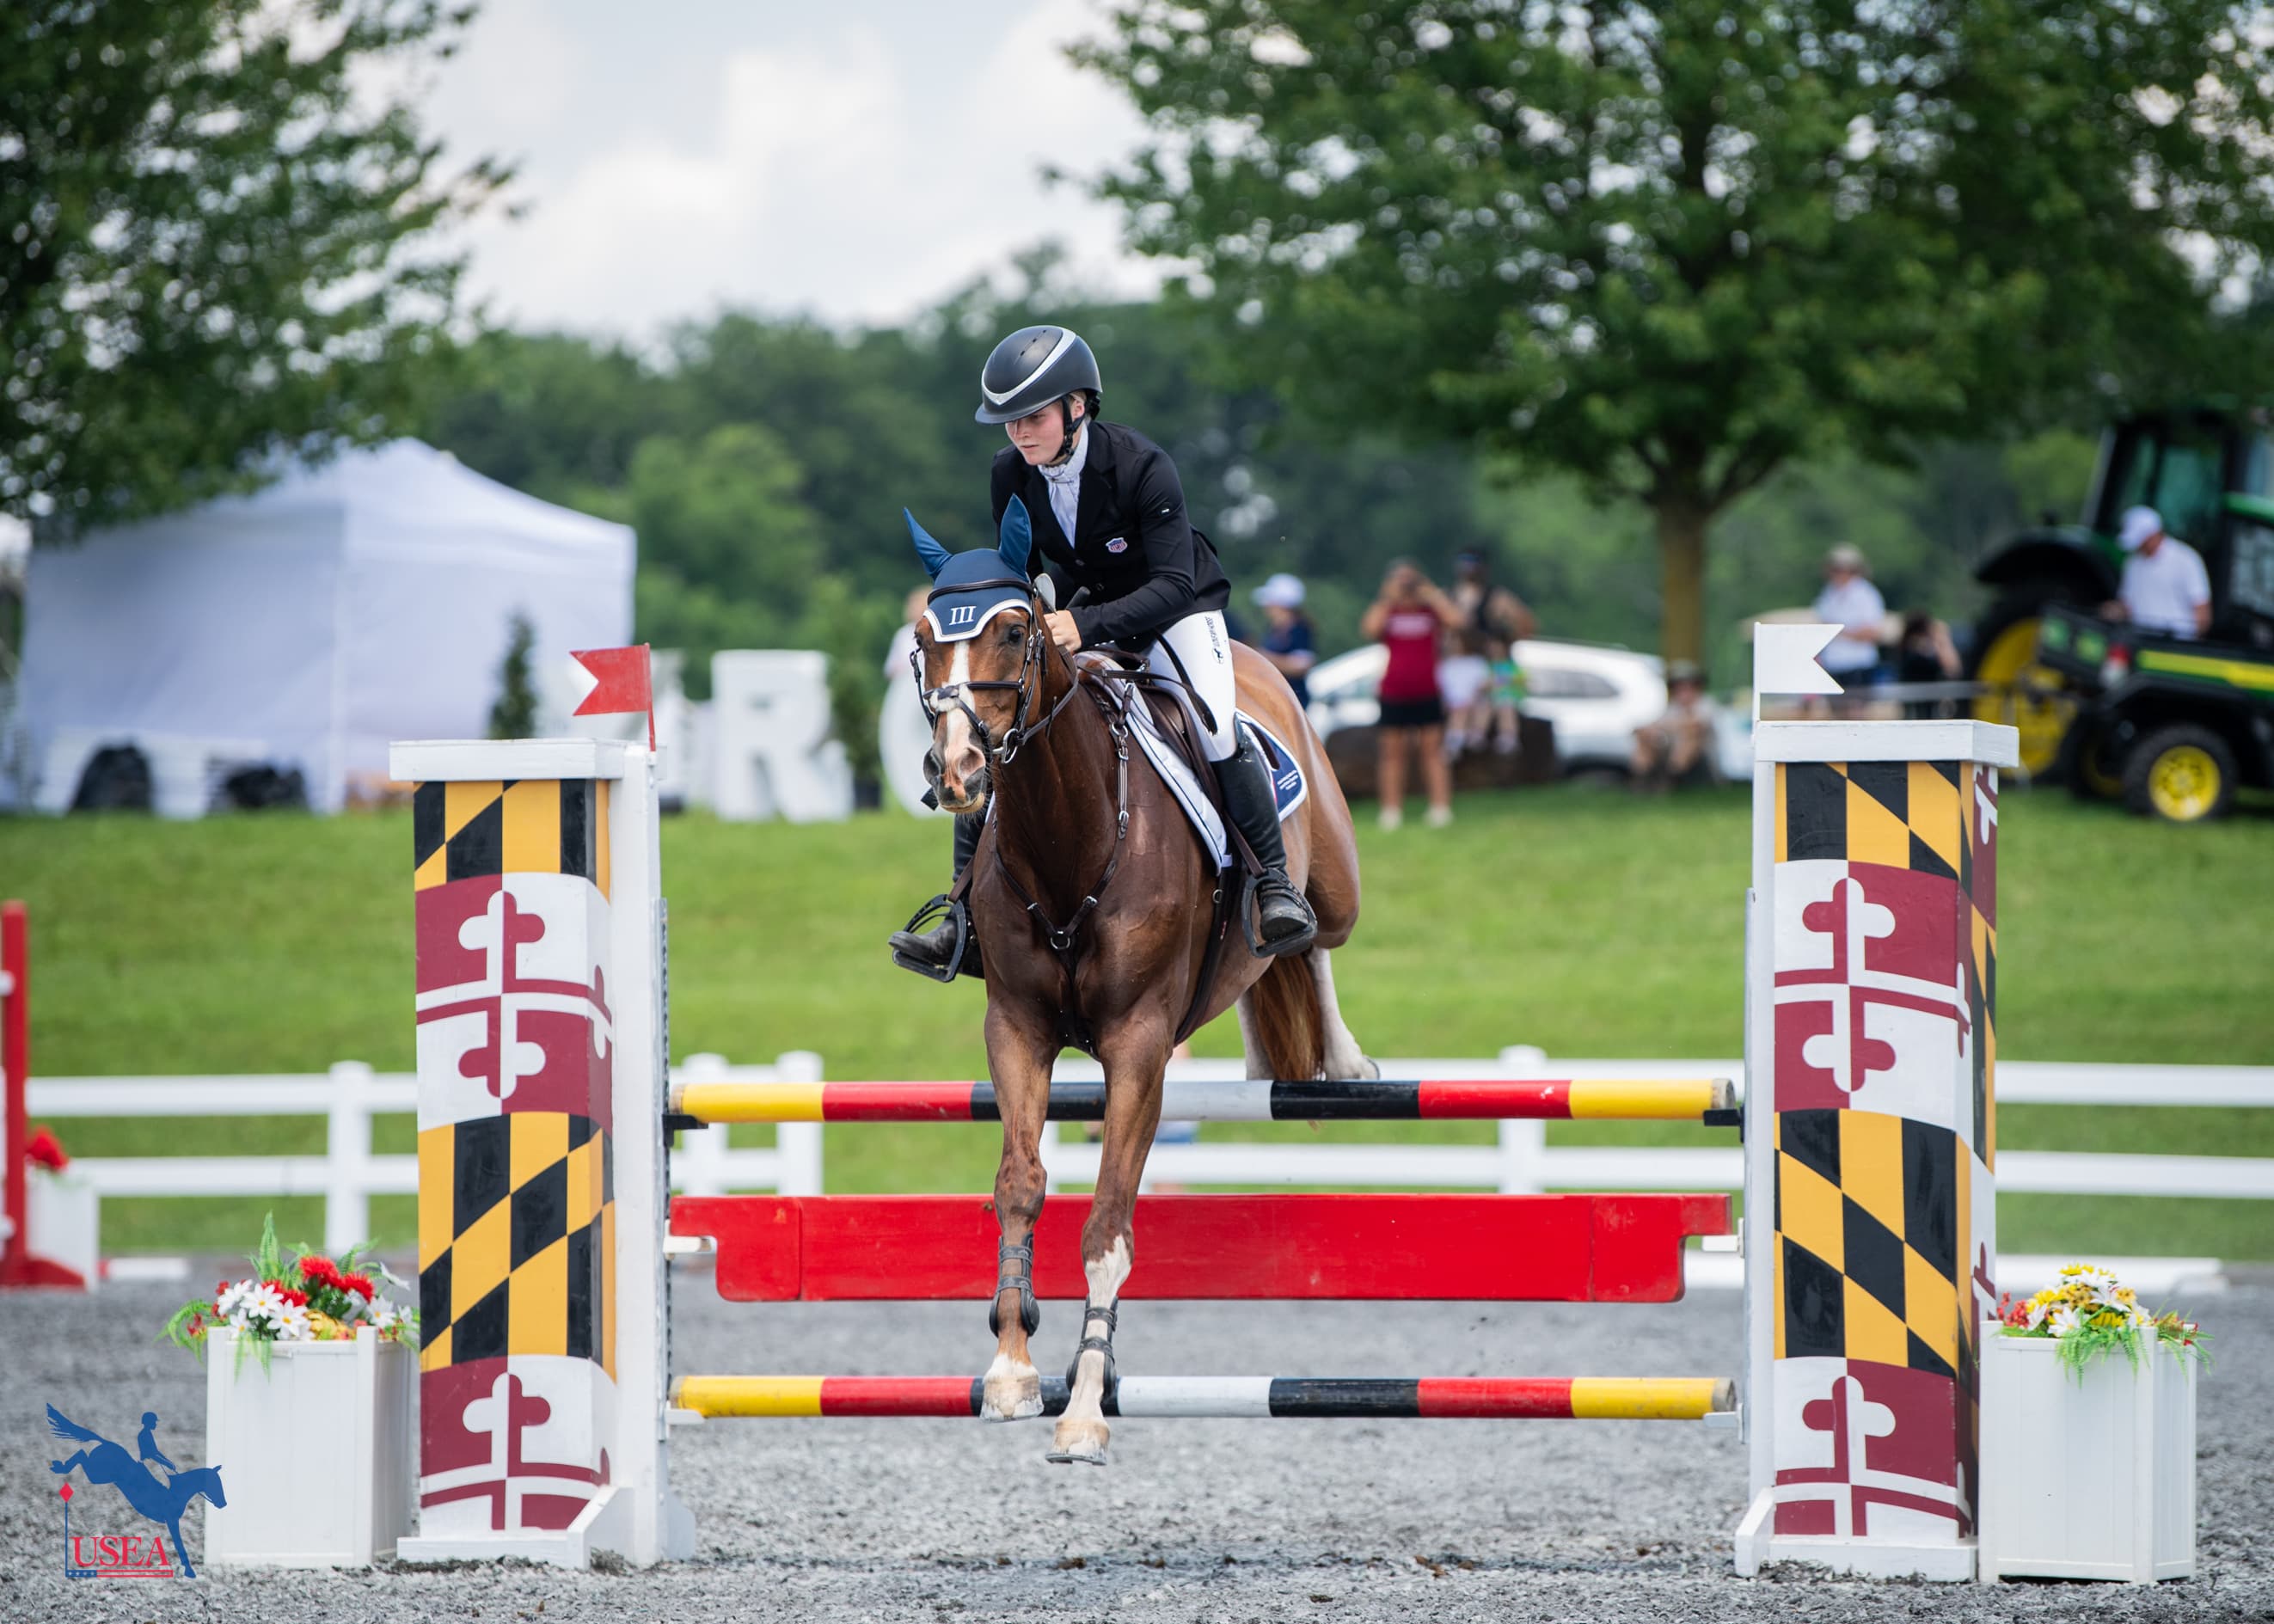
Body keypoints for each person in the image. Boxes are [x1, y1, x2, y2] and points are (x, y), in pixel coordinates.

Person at [889, 324, 1317, 978]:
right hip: (1078, 614)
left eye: (1031, 418)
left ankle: (1275, 886)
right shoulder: (1010, 471)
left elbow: (1172, 582)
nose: (1018, 435)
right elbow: (1020, 570)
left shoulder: (1142, 466)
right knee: (1002, 734)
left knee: (1215, 725)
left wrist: (1081, 625)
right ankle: (959, 916)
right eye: (1008, 423)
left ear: (1077, 406)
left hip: (1178, 610)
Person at [1360, 560, 1461, 829]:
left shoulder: (1431, 611)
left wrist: (1431, 593)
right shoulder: (1389, 610)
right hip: (1394, 690)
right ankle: (1391, 811)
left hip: (1428, 690)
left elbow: (1456, 621)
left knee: (1432, 751)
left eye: (1410, 579)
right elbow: (1369, 628)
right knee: (1392, 753)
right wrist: (1386, 596)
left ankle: (1440, 808)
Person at [1443, 548, 1535, 756]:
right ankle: (1460, 740)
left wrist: (1506, 639)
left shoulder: (1496, 598)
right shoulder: (1448, 597)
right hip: (1463, 664)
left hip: (1491, 663)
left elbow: (1527, 625)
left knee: (1498, 702)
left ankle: (1498, 738)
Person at [2104, 505, 2212, 640]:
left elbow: (2202, 611)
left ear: (2152, 535)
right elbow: (2127, 605)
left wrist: (2188, 645)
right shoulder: (2132, 563)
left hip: (2175, 642)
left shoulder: (2186, 559)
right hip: (2139, 639)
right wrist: (2114, 611)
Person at [1629, 661, 1717, 792]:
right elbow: (1658, 724)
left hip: (1701, 760)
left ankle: (1671, 781)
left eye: (1687, 686)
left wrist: (1667, 726)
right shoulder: (1673, 708)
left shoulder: (1706, 705)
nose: (1682, 691)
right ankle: (1643, 779)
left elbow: (1695, 726)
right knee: (1644, 737)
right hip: (1669, 753)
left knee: (1690, 737)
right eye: (1678, 687)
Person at [1812, 544, 1888, 683]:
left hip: (1858, 662)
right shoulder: (1828, 594)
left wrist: (1836, 632)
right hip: (1833, 663)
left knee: (1855, 704)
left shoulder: (1866, 594)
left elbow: (1873, 632)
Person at [1249, 572, 1316, 710]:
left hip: (1293, 702)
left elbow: (1301, 665)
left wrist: (1261, 657)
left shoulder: (1299, 629)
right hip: (1277, 699)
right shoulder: (1273, 628)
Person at [1894, 611, 1963, 719]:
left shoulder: (1925, 649)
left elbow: (1953, 669)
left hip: (1930, 703)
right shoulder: (1912, 651)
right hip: (1918, 704)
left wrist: (1942, 640)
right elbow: (1952, 668)